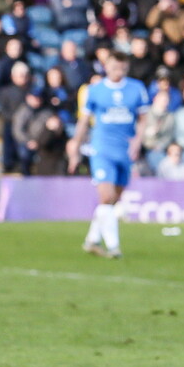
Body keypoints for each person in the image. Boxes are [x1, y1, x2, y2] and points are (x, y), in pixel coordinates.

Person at [67, 51, 148, 259]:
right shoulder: (95, 90)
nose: (118, 71)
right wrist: (76, 145)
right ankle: (114, 247)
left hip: (125, 150)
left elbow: (143, 118)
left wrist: (137, 140)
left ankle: (92, 240)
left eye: (122, 68)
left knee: (113, 200)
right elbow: (84, 120)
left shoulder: (136, 89)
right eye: (114, 67)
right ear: (106, 67)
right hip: (102, 148)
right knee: (106, 196)